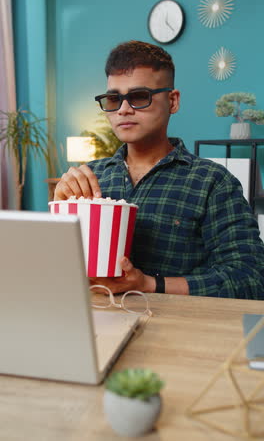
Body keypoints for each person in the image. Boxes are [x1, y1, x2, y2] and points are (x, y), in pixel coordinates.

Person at [55, 40, 264, 299]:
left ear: (172, 101)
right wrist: (60, 214)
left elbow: (250, 278)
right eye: (113, 99)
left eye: (139, 96)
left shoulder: (213, 182)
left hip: (176, 331)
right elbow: (55, 273)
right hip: (93, 324)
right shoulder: (90, 178)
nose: (123, 109)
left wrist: (147, 284)